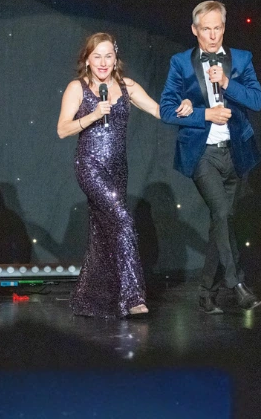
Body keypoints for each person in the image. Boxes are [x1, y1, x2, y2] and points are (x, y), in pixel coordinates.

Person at [56, 32, 192, 318]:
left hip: (118, 168)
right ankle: (133, 297)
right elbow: (62, 129)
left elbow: (158, 110)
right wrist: (93, 115)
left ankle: (92, 297)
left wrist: (183, 109)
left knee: (104, 231)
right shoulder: (77, 88)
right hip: (90, 165)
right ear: (87, 60)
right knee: (124, 221)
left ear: (115, 58)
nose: (103, 62)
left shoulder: (127, 86)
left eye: (108, 56)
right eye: (97, 56)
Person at [159, 1, 261, 313]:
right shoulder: (181, 63)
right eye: (207, 29)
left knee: (222, 221)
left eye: (218, 28)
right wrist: (204, 114)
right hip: (202, 153)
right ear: (195, 30)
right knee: (221, 213)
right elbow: (166, 110)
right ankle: (236, 284)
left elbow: (257, 100)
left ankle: (206, 293)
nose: (213, 35)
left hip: (235, 152)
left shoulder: (241, 59)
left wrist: (228, 83)